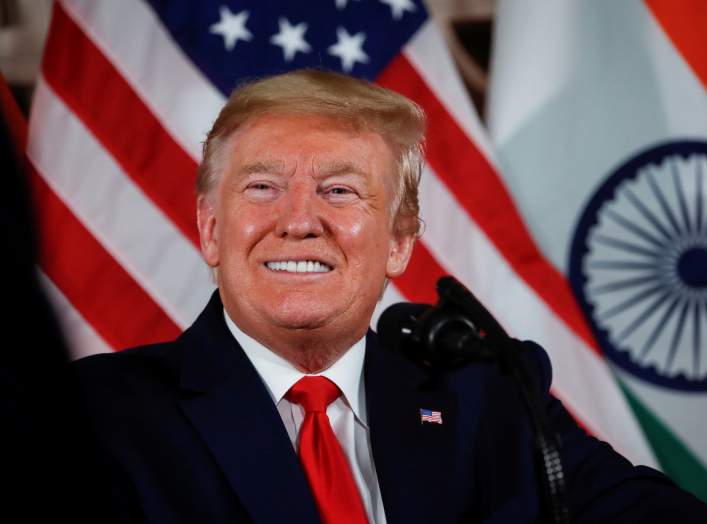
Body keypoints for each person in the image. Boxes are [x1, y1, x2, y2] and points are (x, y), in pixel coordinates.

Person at [73, 69, 707, 523]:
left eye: (341, 191)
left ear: (400, 242)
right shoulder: (92, 418)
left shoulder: (489, 398)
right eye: (263, 188)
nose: (299, 220)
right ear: (211, 230)